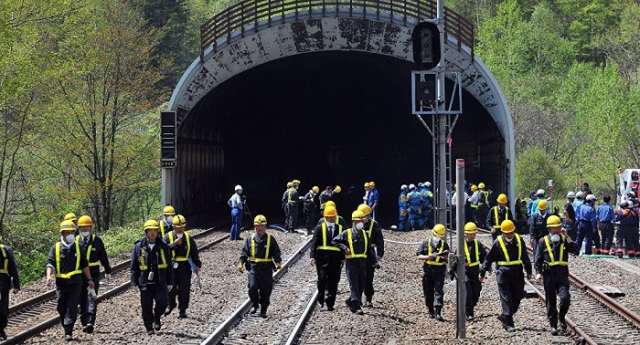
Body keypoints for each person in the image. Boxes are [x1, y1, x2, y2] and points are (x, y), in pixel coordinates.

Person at [46, 220, 95, 341]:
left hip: (75, 282)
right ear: (62, 234)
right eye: (67, 232)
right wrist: (48, 276)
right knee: (60, 306)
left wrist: (89, 279)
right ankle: (66, 326)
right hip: (61, 283)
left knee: (72, 306)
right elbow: (50, 264)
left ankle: (68, 331)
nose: (70, 234)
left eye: (72, 232)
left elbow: (84, 265)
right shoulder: (55, 248)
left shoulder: (78, 247)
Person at [481, 220, 532, 332]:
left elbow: (524, 256)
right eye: (507, 232)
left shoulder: (519, 240)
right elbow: (489, 258)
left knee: (518, 296)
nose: (509, 234)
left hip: (517, 272)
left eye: (511, 232)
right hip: (503, 273)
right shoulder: (497, 242)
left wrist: (529, 271)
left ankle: (504, 316)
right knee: (506, 298)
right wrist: (483, 271)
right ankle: (509, 322)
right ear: (502, 232)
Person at [534, 215, 576, 335]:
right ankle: (553, 325)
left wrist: (567, 236)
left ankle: (561, 317)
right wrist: (538, 273)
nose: (557, 230)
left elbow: (574, 249)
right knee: (551, 301)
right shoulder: (543, 241)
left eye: (558, 227)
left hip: (562, 275)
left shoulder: (564, 240)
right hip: (549, 275)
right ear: (549, 229)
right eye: (554, 228)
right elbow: (538, 259)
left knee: (565, 298)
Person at [131, 220, 173, 334]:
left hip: (160, 281)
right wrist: (134, 282)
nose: (152, 233)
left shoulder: (164, 246)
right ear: (146, 232)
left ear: (158, 231)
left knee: (163, 303)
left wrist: (170, 282)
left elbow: (169, 265)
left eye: (155, 230)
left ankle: (157, 317)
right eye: (150, 231)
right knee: (146, 306)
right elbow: (134, 265)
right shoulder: (139, 246)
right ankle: (149, 327)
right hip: (144, 282)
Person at [238, 215, 282, 317]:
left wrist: (278, 262)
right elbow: (244, 253)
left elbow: (276, 252)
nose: (259, 228)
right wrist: (241, 263)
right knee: (252, 287)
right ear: (254, 226)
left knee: (266, 290)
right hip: (253, 268)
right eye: (257, 226)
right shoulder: (250, 239)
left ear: (265, 226)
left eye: (261, 226)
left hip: (266, 269)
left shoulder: (270, 239)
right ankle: (255, 304)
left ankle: (263, 309)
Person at [76, 215, 111, 334]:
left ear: (91, 228)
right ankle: (84, 322)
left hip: (94, 272)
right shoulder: (75, 241)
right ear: (79, 229)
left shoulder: (97, 240)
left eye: (87, 228)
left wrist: (107, 270)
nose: (85, 230)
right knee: (81, 298)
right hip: (79, 274)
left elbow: (103, 256)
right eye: (83, 228)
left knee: (91, 296)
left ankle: (90, 321)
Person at [332, 210, 369, 315]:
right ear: (354, 221)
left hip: (363, 263)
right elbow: (335, 241)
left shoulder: (365, 234)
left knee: (361, 285)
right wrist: (344, 247)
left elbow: (369, 250)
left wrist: (374, 261)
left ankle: (350, 300)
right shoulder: (347, 233)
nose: (361, 222)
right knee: (354, 285)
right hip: (351, 263)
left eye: (362, 220)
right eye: (359, 221)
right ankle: (355, 306)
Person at [164, 215, 201, 318]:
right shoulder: (168, 237)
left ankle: (182, 310)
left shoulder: (188, 238)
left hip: (185, 267)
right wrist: (174, 244)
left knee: (184, 290)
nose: (179, 230)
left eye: (181, 227)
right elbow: (162, 250)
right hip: (171, 267)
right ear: (173, 227)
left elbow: (194, 253)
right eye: (177, 228)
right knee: (171, 289)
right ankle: (171, 304)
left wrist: (197, 265)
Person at [310, 206, 344, 311]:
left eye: (333, 217)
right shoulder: (320, 227)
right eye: (330, 217)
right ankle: (321, 298)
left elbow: (344, 243)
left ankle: (330, 303)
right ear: (326, 217)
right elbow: (314, 242)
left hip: (336, 259)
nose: (332, 219)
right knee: (322, 279)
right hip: (322, 258)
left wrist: (343, 257)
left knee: (334, 281)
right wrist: (312, 256)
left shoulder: (340, 228)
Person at [416, 224, 449, 321]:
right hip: (428, 270)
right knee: (428, 291)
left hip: (439, 270)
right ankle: (430, 310)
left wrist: (444, 257)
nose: (438, 238)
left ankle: (438, 311)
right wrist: (428, 257)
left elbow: (448, 257)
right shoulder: (426, 243)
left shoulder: (444, 244)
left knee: (439, 291)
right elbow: (419, 255)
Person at [358, 204, 384, 307]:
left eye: (364, 216)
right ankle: (357, 299)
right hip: (358, 254)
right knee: (358, 278)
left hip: (370, 255)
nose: (362, 219)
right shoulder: (356, 224)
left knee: (369, 278)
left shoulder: (374, 225)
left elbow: (380, 241)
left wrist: (379, 255)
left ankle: (368, 299)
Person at [459, 222, 487, 321]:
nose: (472, 235)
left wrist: (483, 271)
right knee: (468, 293)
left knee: (476, 292)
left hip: (475, 271)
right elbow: (454, 260)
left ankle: (470, 306)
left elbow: (484, 258)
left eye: (473, 234)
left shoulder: (478, 244)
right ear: (465, 234)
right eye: (469, 234)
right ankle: (469, 313)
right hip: (464, 272)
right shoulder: (460, 244)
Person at [0, 238, 20, 340]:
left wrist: (16, 285)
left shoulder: (6, 250)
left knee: (3, 309)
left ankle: (1, 328)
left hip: (3, 282)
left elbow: (13, 267)